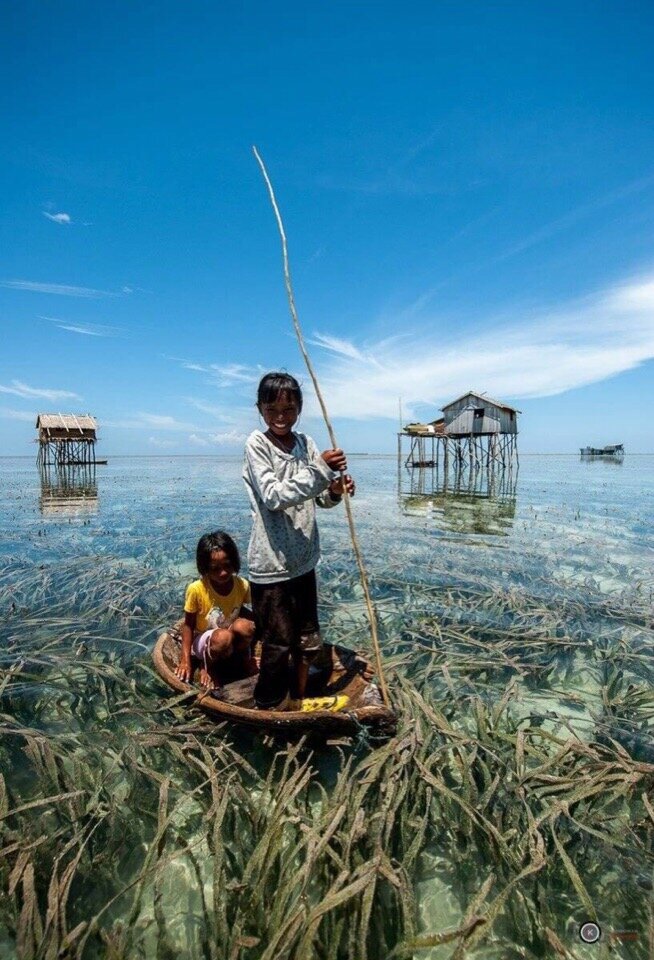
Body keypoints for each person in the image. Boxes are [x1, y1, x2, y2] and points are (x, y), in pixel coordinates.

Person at [243, 371, 355, 710]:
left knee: (307, 640)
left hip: (304, 561)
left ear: (300, 409)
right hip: (272, 566)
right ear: (260, 408)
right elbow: (274, 496)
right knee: (276, 645)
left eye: (289, 409)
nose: (281, 417)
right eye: (272, 409)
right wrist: (321, 470)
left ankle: (301, 697)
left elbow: (319, 499)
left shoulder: (306, 445)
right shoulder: (257, 444)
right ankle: (269, 702)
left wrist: (334, 490)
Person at [175, 530, 256, 694]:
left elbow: (243, 610)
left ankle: (242, 659)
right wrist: (186, 660)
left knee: (246, 626)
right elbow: (188, 626)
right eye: (215, 569)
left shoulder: (242, 585)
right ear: (205, 568)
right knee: (223, 637)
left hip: (227, 636)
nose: (223, 573)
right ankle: (209, 667)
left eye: (227, 566)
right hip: (205, 641)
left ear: (234, 561)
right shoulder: (196, 589)